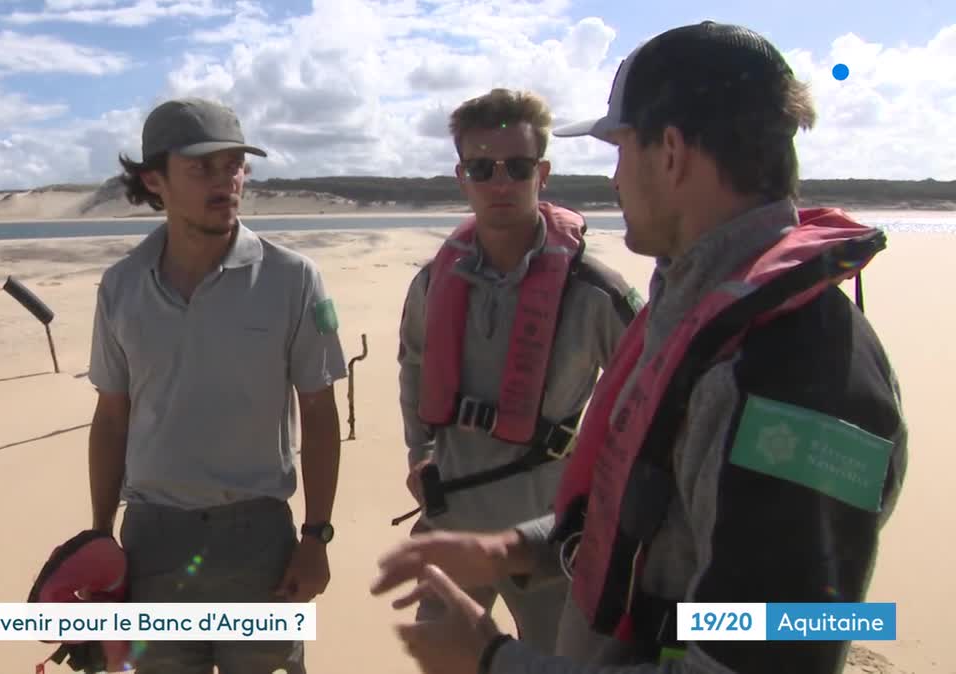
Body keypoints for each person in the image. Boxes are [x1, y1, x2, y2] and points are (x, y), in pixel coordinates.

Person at [371, 21, 908, 674]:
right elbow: (647, 508)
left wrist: (491, 660)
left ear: (672, 153)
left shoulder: (792, 374)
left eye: (621, 150)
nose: (616, 179)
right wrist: (517, 549)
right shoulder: (702, 321)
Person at [88, 96, 347, 674]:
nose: (224, 181)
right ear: (155, 180)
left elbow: (320, 413)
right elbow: (111, 418)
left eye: (233, 165)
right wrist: (100, 538)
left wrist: (317, 536)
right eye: (201, 167)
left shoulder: (293, 278)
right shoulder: (121, 287)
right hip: (154, 540)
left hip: (259, 541)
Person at [393, 87, 643, 654]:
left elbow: (650, 402)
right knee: (442, 659)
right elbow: (412, 367)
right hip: (453, 522)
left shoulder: (595, 292)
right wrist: (417, 451)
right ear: (463, 177)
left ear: (543, 172)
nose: (500, 182)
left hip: (551, 539)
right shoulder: (433, 284)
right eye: (482, 168)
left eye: (518, 166)